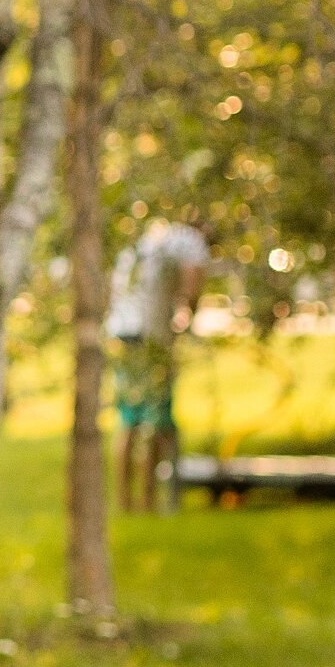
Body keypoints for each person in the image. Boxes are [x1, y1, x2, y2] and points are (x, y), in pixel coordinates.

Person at [107, 213, 209, 511]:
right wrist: (186, 317)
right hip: (152, 338)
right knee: (156, 418)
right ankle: (151, 503)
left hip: (122, 332)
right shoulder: (190, 241)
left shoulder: (145, 241)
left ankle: (127, 504)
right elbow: (193, 280)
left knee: (129, 420)